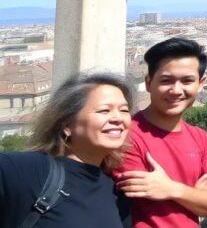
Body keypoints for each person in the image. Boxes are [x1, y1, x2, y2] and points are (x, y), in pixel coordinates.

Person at [116, 37, 207, 228]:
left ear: (201, 83)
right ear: (149, 83)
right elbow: (137, 194)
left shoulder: (200, 137)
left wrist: (173, 189)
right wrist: (196, 197)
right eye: (166, 80)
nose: (176, 90)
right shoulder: (126, 136)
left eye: (187, 81)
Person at [0, 72, 133, 228]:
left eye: (124, 110)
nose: (118, 118)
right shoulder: (28, 170)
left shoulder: (116, 192)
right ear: (67, 125)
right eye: (104, 110)